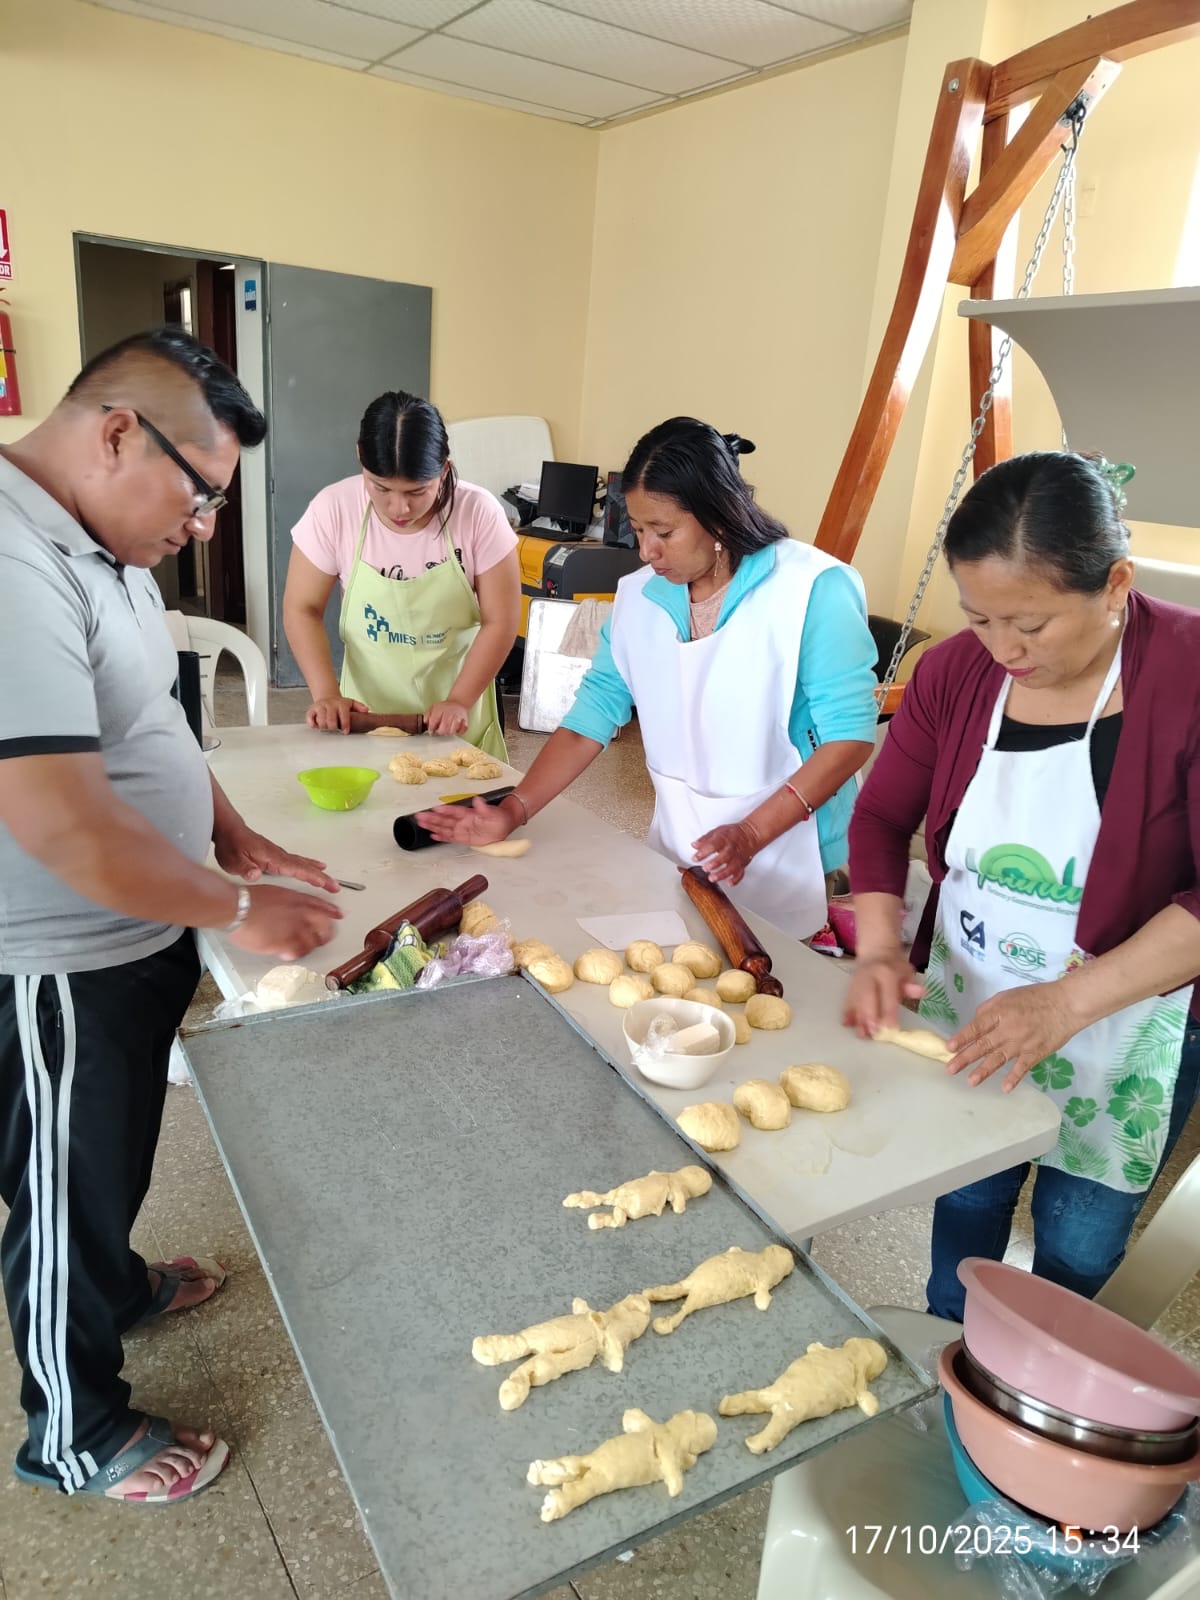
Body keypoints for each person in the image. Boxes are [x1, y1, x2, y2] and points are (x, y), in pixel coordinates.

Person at [0, 327, 343, 1504]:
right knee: (62, 1185)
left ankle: (116, 1283)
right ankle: (73, 1431)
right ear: (115, 433)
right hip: (54, 954)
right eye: (200, 495)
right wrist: (239, 905)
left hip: (135, 930)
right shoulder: (11, 559)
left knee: (108, 1155)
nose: (203, 526)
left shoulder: (108, 549)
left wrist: (231, 833)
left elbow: (153, 723)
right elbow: (63, 824)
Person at [846, 452, 1200, 1322]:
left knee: (1080, 1238)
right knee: (967, 1190)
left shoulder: (1188, 675)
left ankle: (1040, 1374)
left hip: (1129, 1019)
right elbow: (881, 818)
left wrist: (1065, 1002)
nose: (1004, 650)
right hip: (976, 990)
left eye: (1031, 625)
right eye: (980, 619)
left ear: (1115, 584)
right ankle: (949, 1343)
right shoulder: (954, 674)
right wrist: (881, 948)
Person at [417, 417, 879, 938]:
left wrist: (752, 832)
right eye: (638, 530)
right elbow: (588, 721)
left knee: (787, 978)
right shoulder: (641, 598)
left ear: (718, 515)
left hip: (801, 857)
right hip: (685, 848)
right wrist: (514, 810)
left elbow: (849, 739)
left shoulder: (810, 589)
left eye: (664, 532)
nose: (646, 551)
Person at [283, 390, 520, 758]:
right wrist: (327, 694)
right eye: (380, 488)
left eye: (417, 491)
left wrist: (459, 700)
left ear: (444, 469)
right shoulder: (334, 509)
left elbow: (500, 621)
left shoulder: (478, 514)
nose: (399, 508)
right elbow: (303, 608)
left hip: (458, 716)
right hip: (365, 718)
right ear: (361, 458)